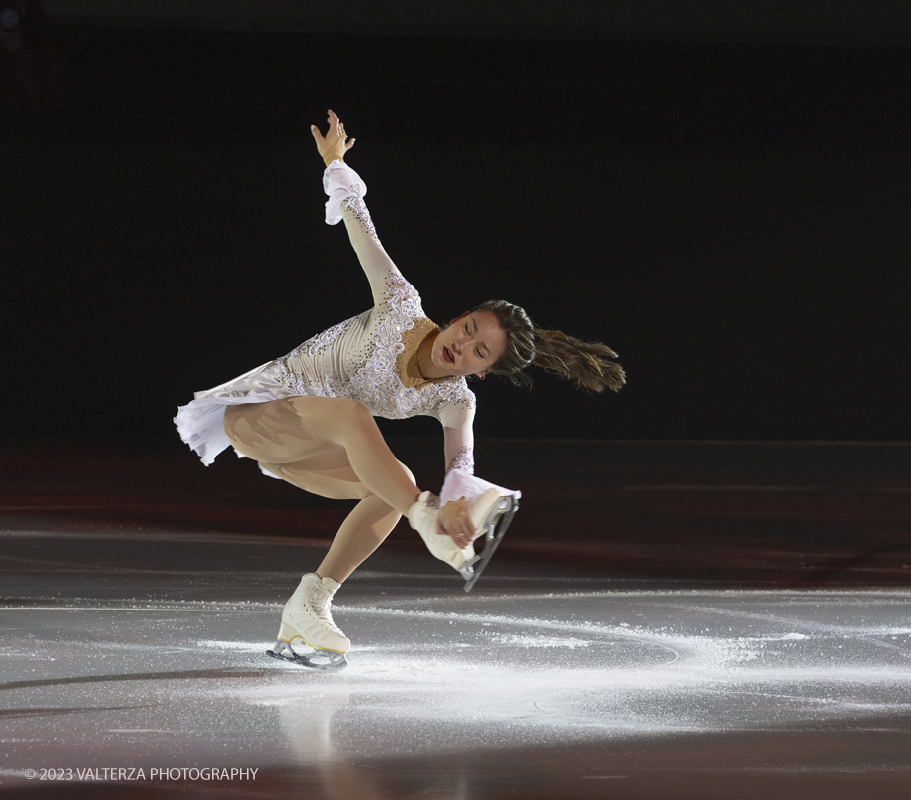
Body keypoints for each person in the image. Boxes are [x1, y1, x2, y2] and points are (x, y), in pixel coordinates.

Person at [174, 110, 625, 669]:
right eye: (467, 331)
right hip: (260, 413)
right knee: (357, 424)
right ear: (458, 318)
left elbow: (459, 468)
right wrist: (336, 163)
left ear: (483, 371)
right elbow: (360, 223)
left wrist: (458, 508)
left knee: (396, 486)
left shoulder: (457, 401)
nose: (461, 347)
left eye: (479, 353)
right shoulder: (400, 303)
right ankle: (423, 521)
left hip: (309, 450)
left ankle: (309, 605)